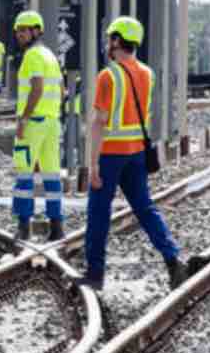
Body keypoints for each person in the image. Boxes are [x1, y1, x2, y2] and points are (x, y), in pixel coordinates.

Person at [79, 17, 186, 291]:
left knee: (99, 213)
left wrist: (92, 165)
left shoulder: (108, 75)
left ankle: (95, 273)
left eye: (110, 37)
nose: (107, 43)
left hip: (111, 155)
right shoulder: (147, 74)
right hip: (137, 153)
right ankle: (173, 259)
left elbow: (99, 121)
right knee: (145, 208)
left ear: (117, 41)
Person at [11, 11, 65, 243]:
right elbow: (61, 91)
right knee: (52, 174)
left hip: (33, 123)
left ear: (35, 31)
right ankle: (57, 227)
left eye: (24, 31)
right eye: (18, 31)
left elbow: (37, 88)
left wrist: (23, 119)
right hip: (51, 122)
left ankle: (24, 226)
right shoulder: (50, 56)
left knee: (24, 173)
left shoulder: (32, 56)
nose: (20, 35)